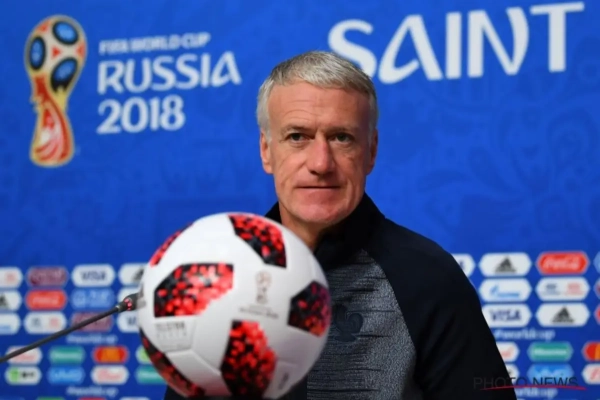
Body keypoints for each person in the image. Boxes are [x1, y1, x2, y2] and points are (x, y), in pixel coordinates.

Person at [164, 51, 516, 400]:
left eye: (341, 137)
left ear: (371, 151)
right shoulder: (216, 278)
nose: (320, 163)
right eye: (297, 137)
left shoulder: (429, 278)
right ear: (266, 150)